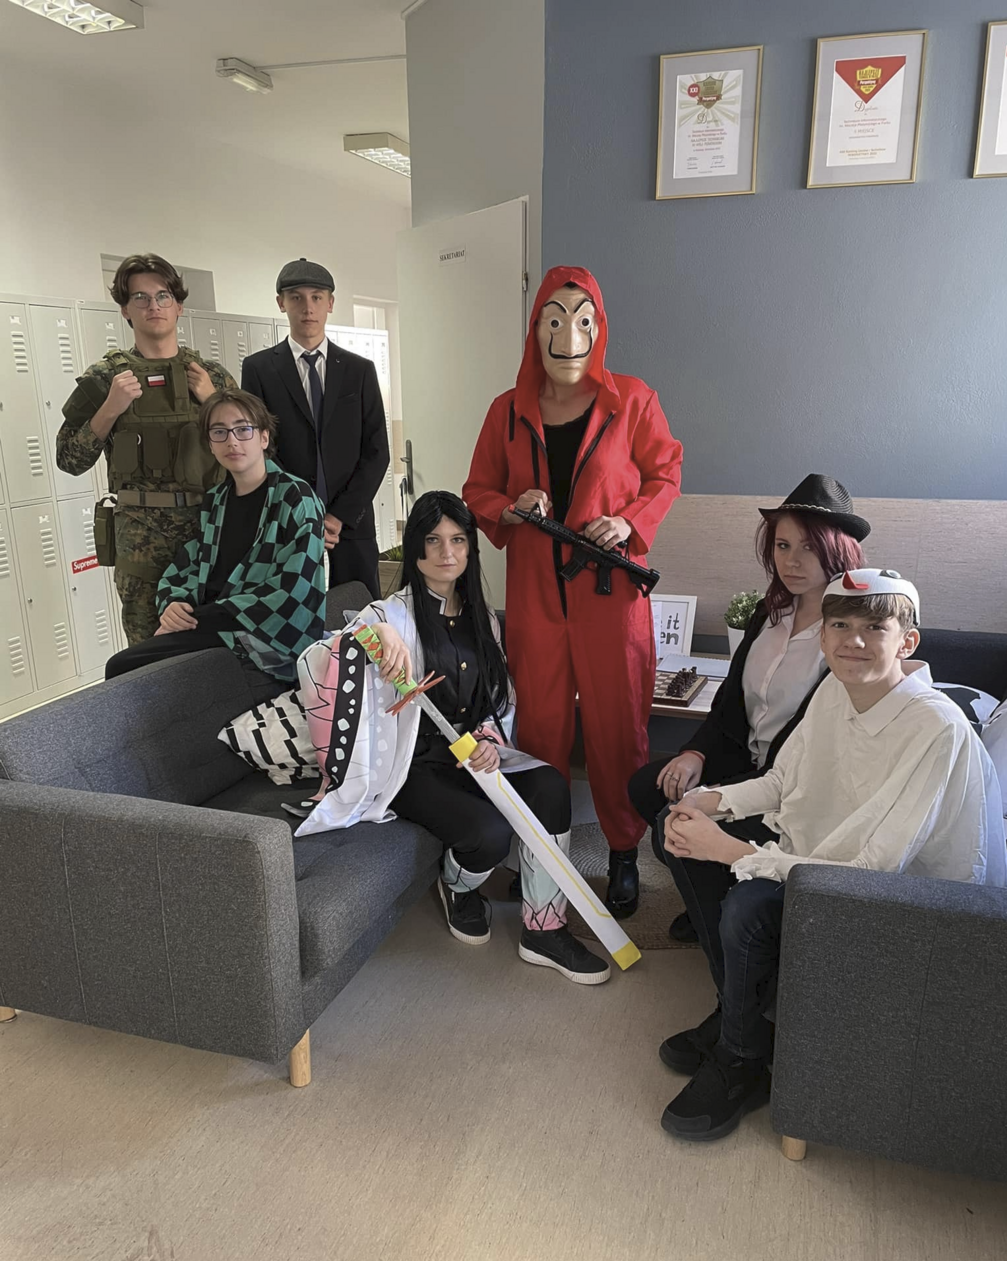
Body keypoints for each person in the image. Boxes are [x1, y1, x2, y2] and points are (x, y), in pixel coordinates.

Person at [657, 568, 1007, 1144]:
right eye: (840, 626)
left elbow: (872, 874)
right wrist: (710, 801)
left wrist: (734, 849)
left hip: (910, 906)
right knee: (674, 833)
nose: (854, 641)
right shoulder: (834, 690)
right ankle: (742, 1016)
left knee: (748, 904)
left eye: (875, 628)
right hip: (826, 856)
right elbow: (783, 782)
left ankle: (742, 1056)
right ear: (822, 636)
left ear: (907, 641)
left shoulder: (936, 728)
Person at [295, 490, 610, 984]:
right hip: (412, 766)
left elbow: (498, 697)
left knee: (550, 784)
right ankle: (458, 887)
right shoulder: (391, 614)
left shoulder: (483, 618)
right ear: (415, 548)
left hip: (470, 752)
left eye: (459, 540)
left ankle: (544, 928)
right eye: (434, 540)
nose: (447, 552)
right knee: (489, 835)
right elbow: (323, 654)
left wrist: (489, 738)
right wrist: (374, 636)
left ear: (470, 548)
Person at [463, 266, 683, 921]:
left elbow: (666, 474)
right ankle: (541, 853)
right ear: (536, 328)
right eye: (554, 320)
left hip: (611, 597)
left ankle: (623, 851)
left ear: (599, 328)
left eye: (582, 320)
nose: (568, 334)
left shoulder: (633, 399)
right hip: (535, 595)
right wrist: (510, 507)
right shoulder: (506, 410)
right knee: (540, 728)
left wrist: (629, 521)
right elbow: (478, 490)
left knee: (618, 728)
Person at [628, 474, 869, 945]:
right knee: (647, 785)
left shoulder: (848, 635)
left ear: (838, 550)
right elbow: (729, 704)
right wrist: (695, 752)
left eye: (809, 548)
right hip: (742, 757)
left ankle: (719, 919)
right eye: (782, 545)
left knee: (669, 827)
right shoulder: (768, 614)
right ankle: (707, 891)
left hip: (790, 780)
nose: (792, 561)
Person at [56, 253, 237, 646]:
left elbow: (256, 455)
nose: (153, 306)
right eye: (140, 298)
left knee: (219, 646)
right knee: (149, 650)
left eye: (163, 296)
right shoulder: (105, 378)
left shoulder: (213, 377)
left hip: (209, 533)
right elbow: (69, 459)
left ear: (179, 306)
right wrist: (110, 409)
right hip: (140, 541)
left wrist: (213, 402)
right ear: (125, 310)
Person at [104, 390, 325, 683]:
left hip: (266, 636)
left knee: (123, 667)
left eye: (243, 429)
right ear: (210, 444)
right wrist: (172, 602)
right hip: (214, 625)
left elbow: (295, 587)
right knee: (129, 669)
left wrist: (197, 619)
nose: (232, 441)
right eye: (219, 432)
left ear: (264, 437)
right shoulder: (216, 500)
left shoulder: (295, 497)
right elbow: (191, 563)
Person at [241, 258, 389, 599]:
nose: (307, 307)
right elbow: (258, 449)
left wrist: (338, 516)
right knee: (288, 612)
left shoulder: (359, 370)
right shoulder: (259, 369)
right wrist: (302, 512)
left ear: (330, 303)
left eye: (317, 297)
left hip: (351, 521)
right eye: (296, 297)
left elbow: (377, 450)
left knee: (359, 613)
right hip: (288, 519)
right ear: (281, 303)